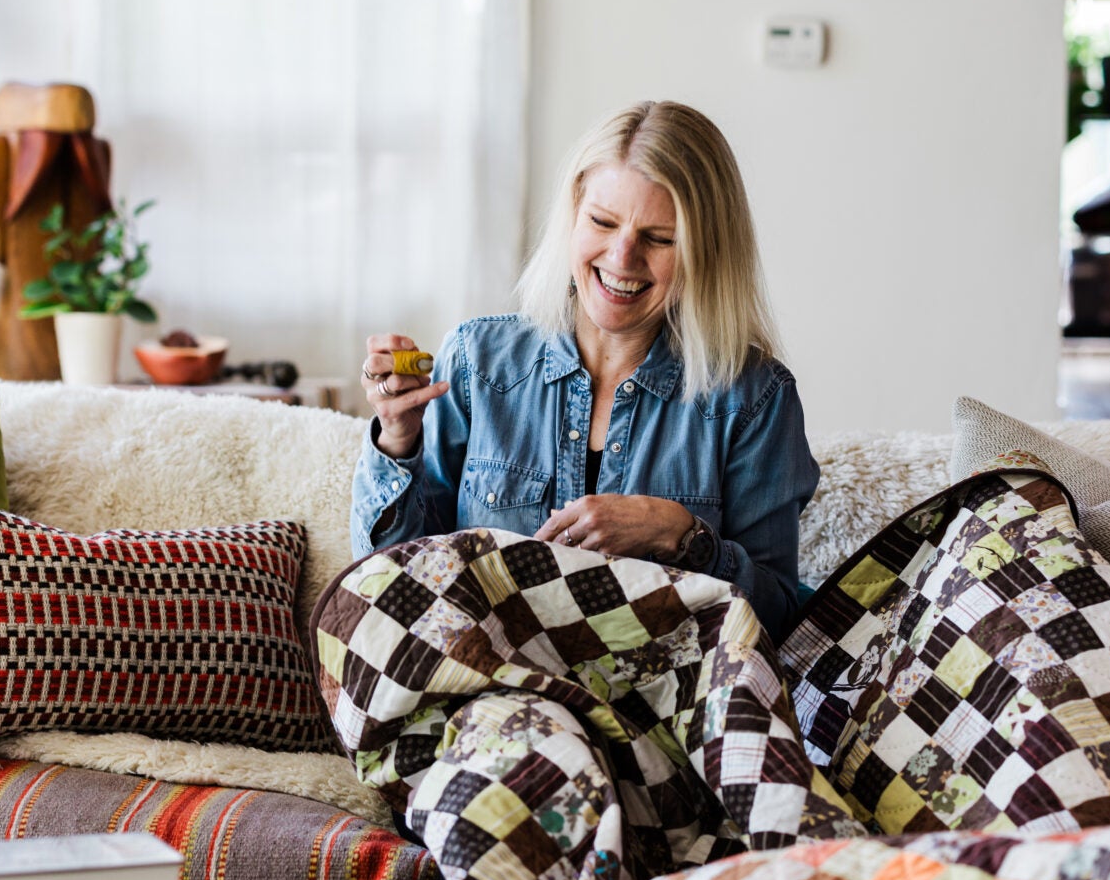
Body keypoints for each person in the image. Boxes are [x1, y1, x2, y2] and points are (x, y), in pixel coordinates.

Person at [350, 100, 820, 639]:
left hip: (659, 697)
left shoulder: (754, 398)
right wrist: (397, 441)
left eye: (660, 239)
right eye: (602, 221)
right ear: (573, 216)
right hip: (491, 681)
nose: (622, 258)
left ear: (706, 251)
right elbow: (391, 583)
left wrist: (683, 536)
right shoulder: (477, 360)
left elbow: (779, 616)